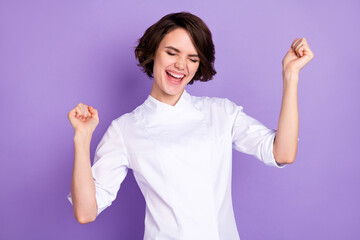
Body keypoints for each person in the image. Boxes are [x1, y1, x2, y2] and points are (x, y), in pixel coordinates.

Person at [67, 12, 314, 240]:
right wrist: (82, 138)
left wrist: (290, 75)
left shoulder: (220, 112)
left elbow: (282, 152)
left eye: (192, 58)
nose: (181, 65)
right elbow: (86, 212)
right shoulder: (125, 129)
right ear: (153, 52)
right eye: (172, 53)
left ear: (199, 65)